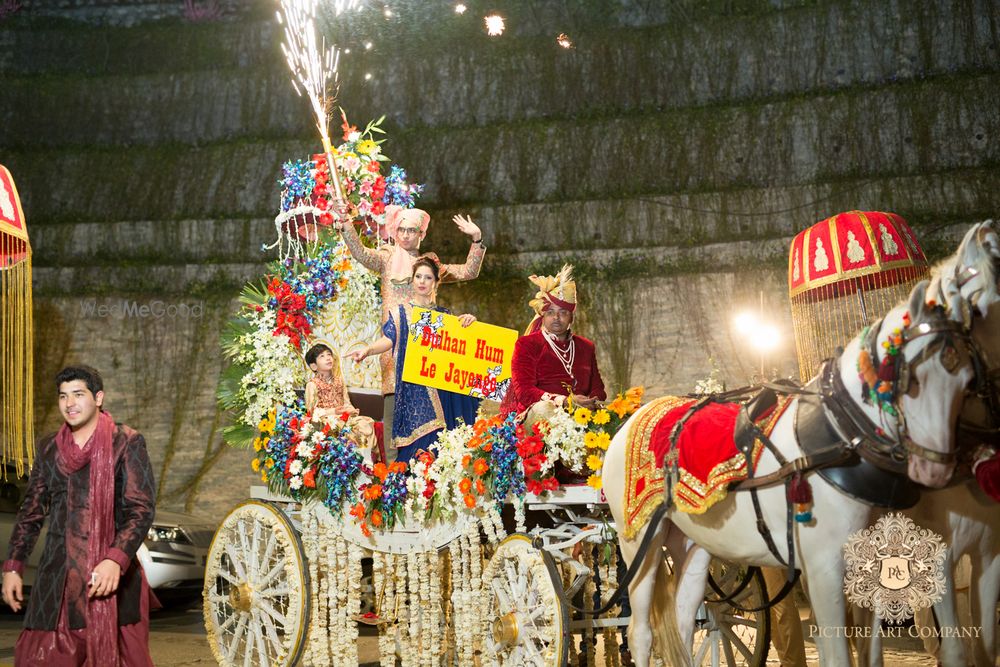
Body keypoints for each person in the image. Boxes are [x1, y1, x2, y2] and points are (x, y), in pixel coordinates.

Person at [2, 365, 156, 666]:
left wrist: (115, 559)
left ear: (98, 398)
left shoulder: (125, 442)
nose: (69, 404)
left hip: (112, 582)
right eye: (63, 396)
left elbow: (140, 508)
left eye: (78, 394)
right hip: (57, 582)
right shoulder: (49, 448)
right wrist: (13, 566)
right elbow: (31, 511)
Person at [336, 205, 486, 411]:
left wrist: (477, 239)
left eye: (411, 230)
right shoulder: (386, 259)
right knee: (394, 411)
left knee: (429, 412)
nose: (405, 235)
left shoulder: (429, 267)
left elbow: (468, 271)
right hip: (393, 347)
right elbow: (360, 253)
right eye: (401, 230)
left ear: (422, 234)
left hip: (425, 349)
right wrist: (345, 221)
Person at [346, 258, 479, 463]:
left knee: (442, 444)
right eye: (418, 277)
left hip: (440, 388)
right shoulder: (401, 312)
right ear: (412, 280)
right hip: (414, 390)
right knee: (417, 447)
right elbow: (389, 338)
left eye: (427, 277)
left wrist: (469, 324)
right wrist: (368, 350)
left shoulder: (445, 315)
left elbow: (460, 349)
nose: (422, 281)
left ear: (435, 282)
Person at [500, 265, 606, 419]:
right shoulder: (527, 345)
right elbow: (524, 392)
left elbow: (597, 387)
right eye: (550, 312)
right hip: (539, 419)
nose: (556, 317)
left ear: (571, 317)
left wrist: (593, 401)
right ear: (542, 316)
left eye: (563, 312)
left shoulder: (586, 346)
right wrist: (563, 401)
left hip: (583, 416)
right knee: (543, 410)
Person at [304, 342, 378, 453]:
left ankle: (367, 463)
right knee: (345, 431)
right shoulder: (312, 385)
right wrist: (333, 411)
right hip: (326, 421)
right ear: (314, 365)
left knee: (364, 425)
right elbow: (311, 412)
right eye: (322, 356)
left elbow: (346, 402)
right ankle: (350, 462)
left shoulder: (339, 381)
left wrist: (350, 410)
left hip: (344, 417)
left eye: (329, 354)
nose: (328, 358)